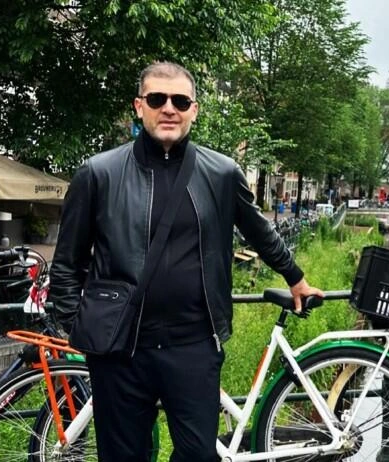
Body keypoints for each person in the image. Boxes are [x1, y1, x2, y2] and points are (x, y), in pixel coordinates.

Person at [49, 61, 323, 462]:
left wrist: (295, 277)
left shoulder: (221, 173)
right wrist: (78, 326)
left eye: (180, 101)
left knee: (198, 454)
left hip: (193, 345)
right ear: (139, 106)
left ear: (194, 110)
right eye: (157, 99)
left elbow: (259, 231)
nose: (169, 109)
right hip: (120, 350)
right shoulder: (99, 174)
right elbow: (66, 262)